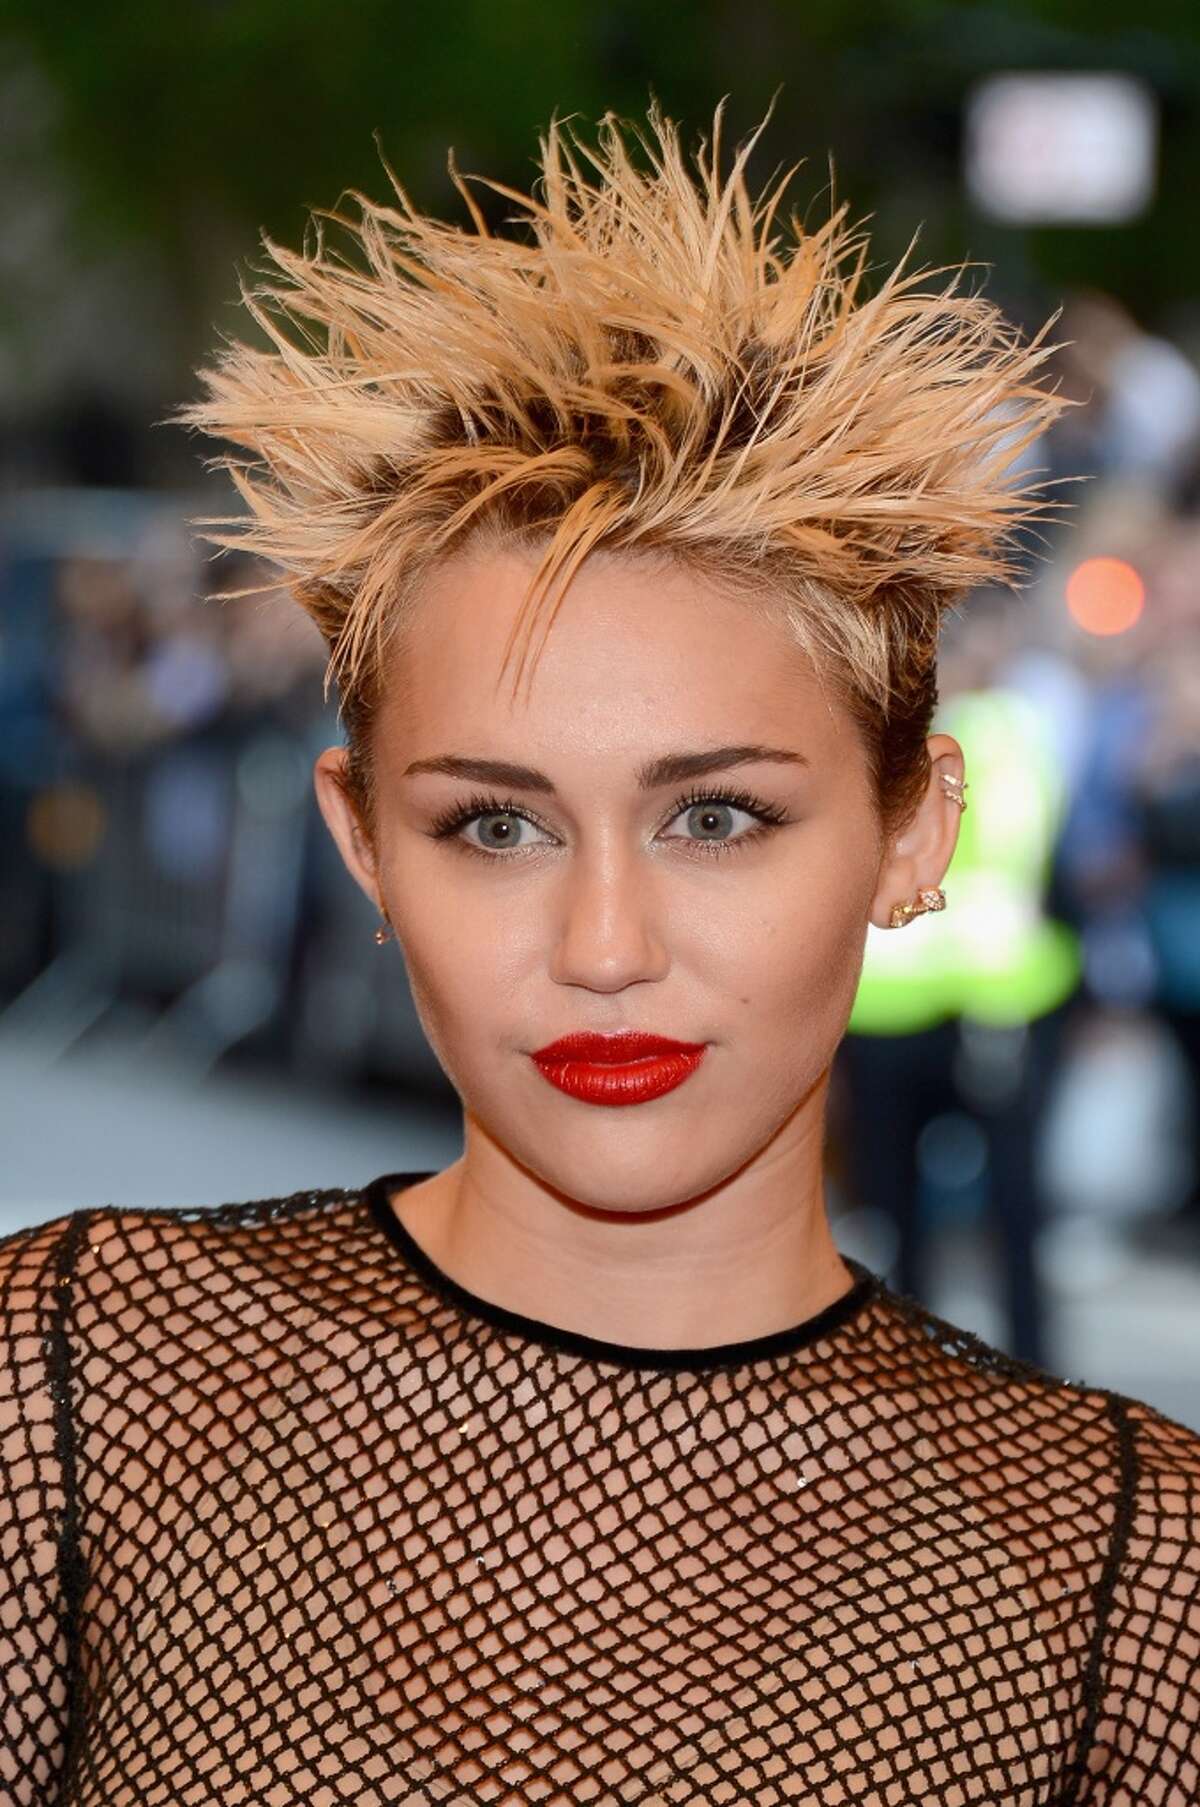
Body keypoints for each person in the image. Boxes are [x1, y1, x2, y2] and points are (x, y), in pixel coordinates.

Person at [3, 103, 1198, 1806]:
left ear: (914, 829)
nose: (606, 947)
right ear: (361, 839)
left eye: (716, 817)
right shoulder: (76, 1383)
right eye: (497, 825)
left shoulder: (1126, 1576)